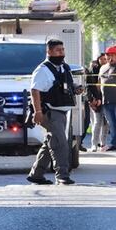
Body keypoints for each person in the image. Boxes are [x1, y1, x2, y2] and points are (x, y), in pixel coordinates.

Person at [27, 38, 80, 185]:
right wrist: (37, 111)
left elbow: (66, 85)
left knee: (51, 142)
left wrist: (75, 88)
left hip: (62, 111)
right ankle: (62, 175)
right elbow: (35, 91)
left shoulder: (64, 67)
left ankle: (36, 174)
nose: (61, 53)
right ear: (49, 51)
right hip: (49, 111)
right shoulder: (42, 70)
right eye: (58, 50)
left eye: (62, 50)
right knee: (61, 143)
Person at [87, 53, 109, 151]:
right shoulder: (94, 70)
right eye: (102, 59)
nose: (104, 61)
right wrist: (93, 100)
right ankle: (94, 144)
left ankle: (103, 144)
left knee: (106, 123)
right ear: (98, 59)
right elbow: (91, 86)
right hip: (96, 101)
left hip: (108, 100)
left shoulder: (109, 69)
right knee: (97, 123)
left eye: (105, 59)